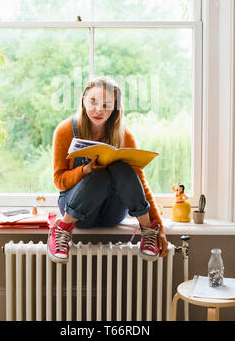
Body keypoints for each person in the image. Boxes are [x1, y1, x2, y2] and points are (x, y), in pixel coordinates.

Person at [48, 76, 168, 263]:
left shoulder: (124, 135)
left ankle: (148, 231)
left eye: (107, 105)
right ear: (83, 100)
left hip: (112, 213)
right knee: (99, 175)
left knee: (121, 168)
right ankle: (62, 230)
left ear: (115, 108)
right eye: (93, 102)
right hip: (77, 212)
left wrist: (159, 229)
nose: (99, 110)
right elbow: (58, 180)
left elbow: (139, 183)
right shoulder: (65, 131)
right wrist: (84, 171)